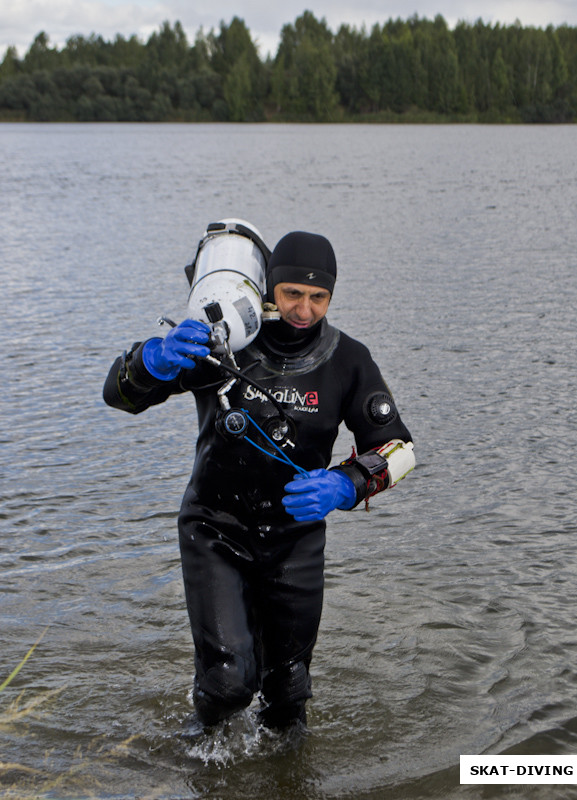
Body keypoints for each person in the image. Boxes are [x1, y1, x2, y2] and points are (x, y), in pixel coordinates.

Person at [103, 228, 414, 730]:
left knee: (289, 695)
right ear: (269, 288)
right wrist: (152, 360)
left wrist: (347, 483)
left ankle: (285, 779)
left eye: (319, 297)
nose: (304, 310)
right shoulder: (225, 342)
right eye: (293, 294)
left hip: (295, 540)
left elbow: (399, 450)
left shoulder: (348, 360)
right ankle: (199, 754)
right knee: (228, 684)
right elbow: (118, 397)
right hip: (216, 529)